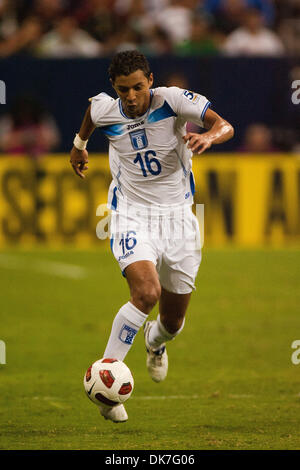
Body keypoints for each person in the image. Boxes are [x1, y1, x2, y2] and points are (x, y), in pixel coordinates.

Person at [69, 50, 234, 423]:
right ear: (114, 87)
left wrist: (210, 136)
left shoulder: (172, 101)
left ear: (151, 81)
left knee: (172, 322)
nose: (131, 96)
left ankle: (154, 344)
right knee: (146, 293)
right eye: (123, 89)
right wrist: (78, 147)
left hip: (178, 221)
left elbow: (226, 125)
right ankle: (107, 392)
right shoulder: (104, 108)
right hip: (131, 215)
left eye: (138, 87)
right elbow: (90, 116)